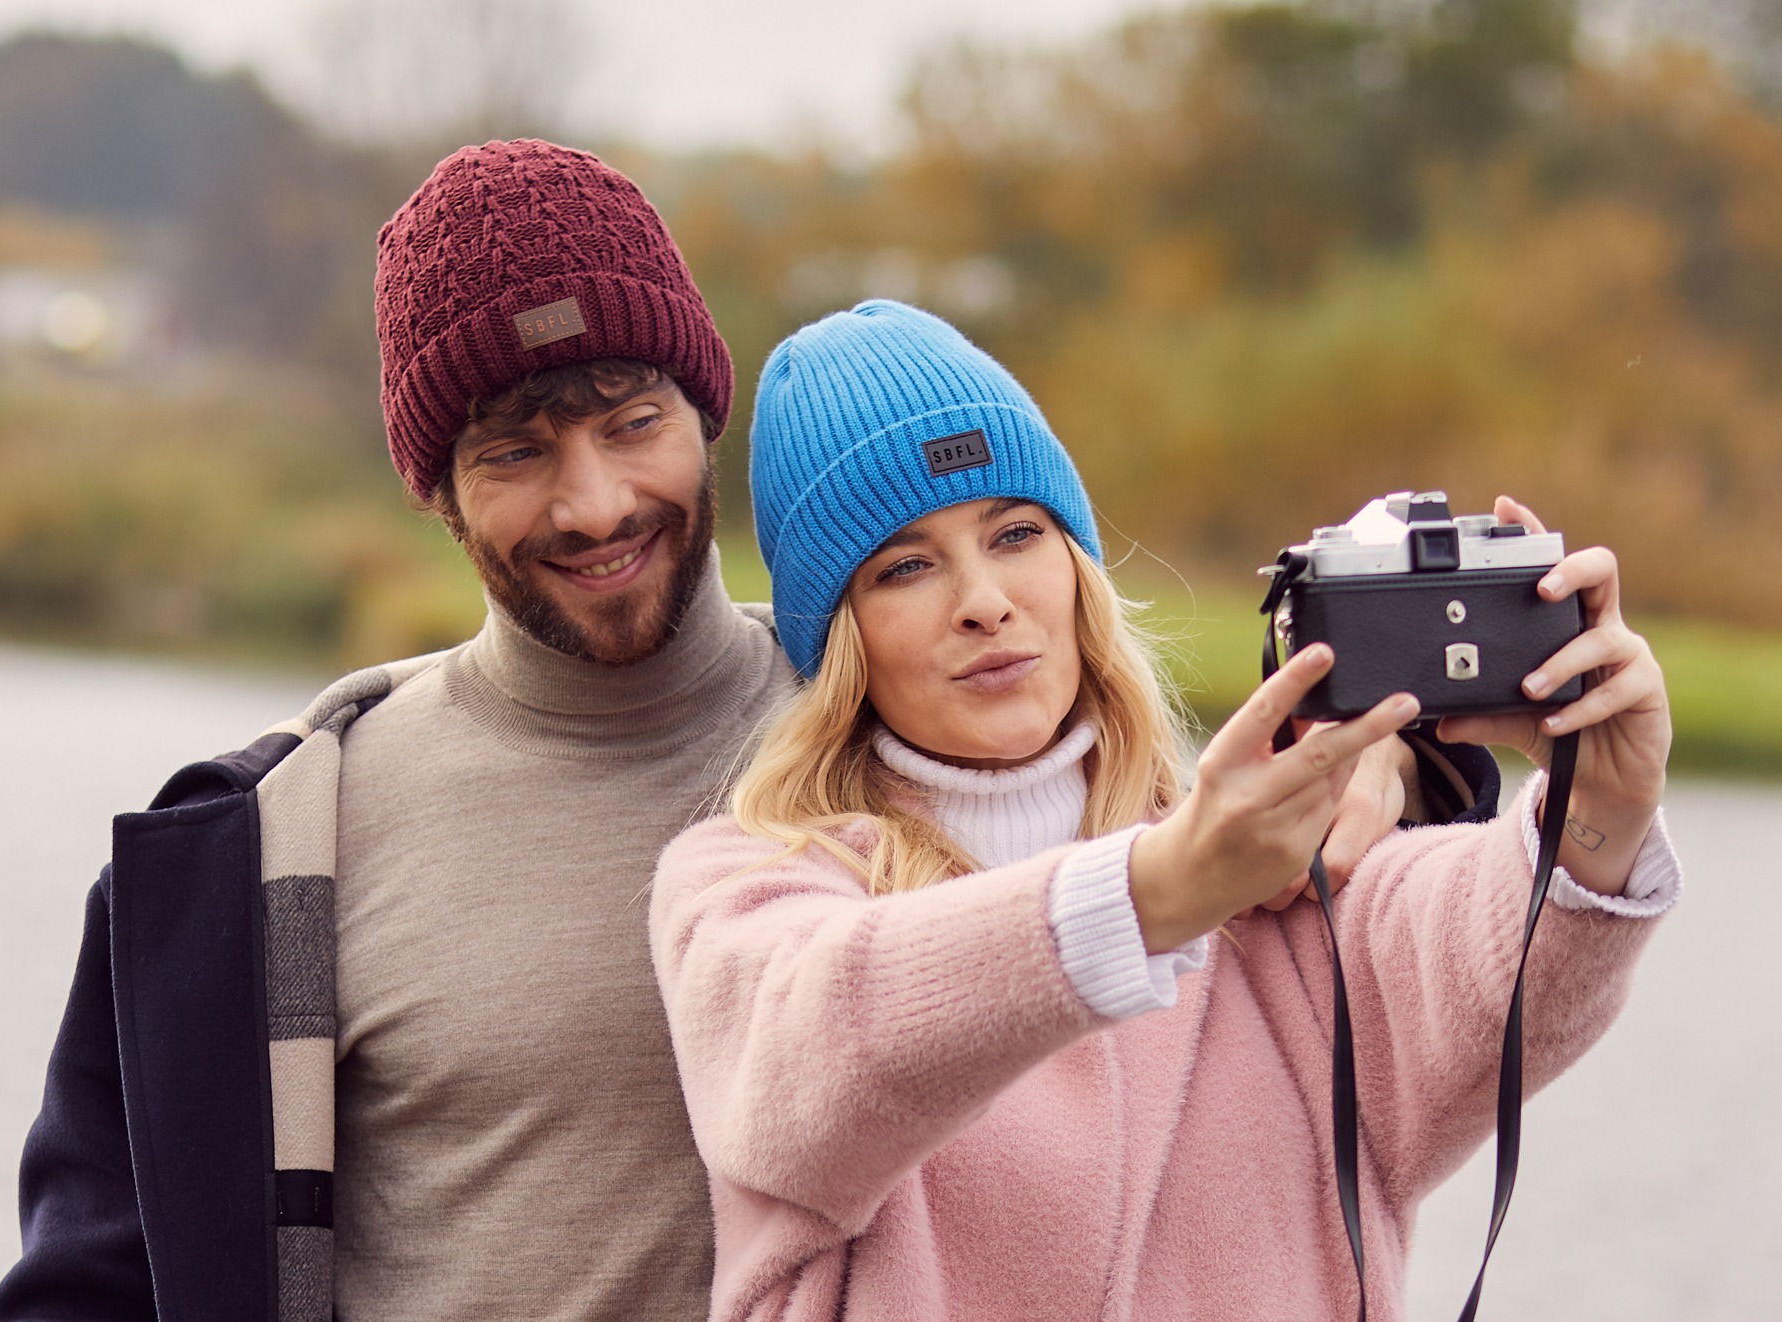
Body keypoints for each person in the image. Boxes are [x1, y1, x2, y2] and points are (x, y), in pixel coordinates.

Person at [0, 145, 1448, 1322]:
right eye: (512, 452)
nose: (592, 502)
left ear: (707, 416)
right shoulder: (266, 850)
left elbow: (1245, 903)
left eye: (630, 422)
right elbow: (89, 1288)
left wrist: (1403, 759)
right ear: (435, 492)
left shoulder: (926, 710)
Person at [649, 300, 1681, 1320]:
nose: (984, 598)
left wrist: (1602, 804)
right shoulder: (745, 886)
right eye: (906, 565)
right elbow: (822, 1046)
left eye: (1016, 532)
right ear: (836, 637)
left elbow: (1493, 950)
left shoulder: (1271, 877)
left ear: (1077, 568)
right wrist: (1159, 888)